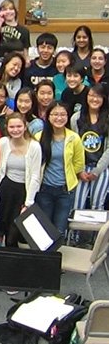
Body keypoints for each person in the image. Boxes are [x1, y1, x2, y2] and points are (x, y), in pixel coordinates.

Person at [35, 101, 85, 238]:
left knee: (59, 230)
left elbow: (78, 164)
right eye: (55, 114)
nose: (59, 118)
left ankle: (56, 257)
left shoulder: (74, 138)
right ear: (48, 117)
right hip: (44, 189)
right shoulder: (39, 137)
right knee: (44, 230)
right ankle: (45, 258)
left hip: (65, 190)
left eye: (63, 114)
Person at [0, 113, 42, 249]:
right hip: (6, 189)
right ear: (7, 128)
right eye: (12, 127)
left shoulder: (34, 147)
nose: (15, 130)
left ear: (25, 126)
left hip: (23, 192)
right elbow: (1, 168)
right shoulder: (3, 142)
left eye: (19, 126)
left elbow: (35, 176)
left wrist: (28, 203)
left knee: (14, 234)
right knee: (1, 228)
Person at [70, 84, 109, 213]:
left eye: (98, 96)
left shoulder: (107, 118)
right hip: (81, 168)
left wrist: (97, 170)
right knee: (76, 205)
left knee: (97, 206)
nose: (94, 99)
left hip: (100, 168)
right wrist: (79, 169)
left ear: (104, 99)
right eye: (91, 95)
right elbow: (73, 145)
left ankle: (96, 234)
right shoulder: (76, 118)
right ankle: (73, 234)